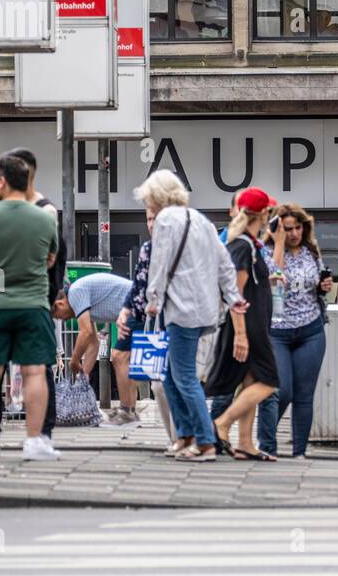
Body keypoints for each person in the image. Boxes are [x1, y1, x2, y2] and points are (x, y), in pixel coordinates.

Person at [137, 170, 244, 463]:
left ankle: (205, 441)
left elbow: (159, 263)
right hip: (206, 309)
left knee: (182, 376)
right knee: (172, 375)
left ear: (158, 196)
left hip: (181, 309)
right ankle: (184, 435)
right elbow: (224, 264)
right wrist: (234, 297)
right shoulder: (202, 221)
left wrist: (153, 298)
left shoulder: (165, 221)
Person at [0, 153, 60, 461]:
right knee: (35, 372)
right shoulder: (46, 218)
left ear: (3, 181)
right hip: (33, 303)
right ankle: (35, 441)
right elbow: (50, 258)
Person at [257, 201, 334, 457]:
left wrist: (323, 285)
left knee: (304, 393)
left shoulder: (311, 251)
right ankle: (265, 440)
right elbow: (273, 280)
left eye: (298, 227)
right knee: (282, 390)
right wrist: (278, 243)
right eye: (288, 229)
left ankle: (299, 451)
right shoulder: (266, 251)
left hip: (310, 329)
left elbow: (317, 282)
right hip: (277, 331)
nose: (294, 234)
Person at [209, 188, 280, 461]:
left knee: (251, 381)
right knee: (270, 382)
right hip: (248, 326)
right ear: (261, 214)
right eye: (267, 213)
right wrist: (240, 335)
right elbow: (234, 294)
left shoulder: (249, 244)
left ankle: (246, 443)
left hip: (254, 324)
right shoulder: (241, 246)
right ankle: (222, 423)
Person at [8, 147, 65, 444]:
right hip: (14, 299)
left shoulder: (45, 211)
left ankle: (43, 429)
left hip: (35, 299)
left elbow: (50, 257)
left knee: (38, 365)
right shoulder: (12, 208)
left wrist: (49, 296)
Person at [51, 272, 137, 426]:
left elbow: (85, 332)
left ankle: (127, 412)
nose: (62, 320)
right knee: (125, 359)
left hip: (135, 306)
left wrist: (74, 360)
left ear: (60, 304)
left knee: (118, 357)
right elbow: (93, 344)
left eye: (58, 316)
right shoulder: (81, 299)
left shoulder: (76, 293)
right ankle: (130, 412)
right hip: (133, 308)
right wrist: (83, 375)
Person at [114, 206, 157, 428]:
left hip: (162, 315)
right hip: (140, 312)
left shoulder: (174, 246)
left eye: (155, 219)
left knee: (161, 377)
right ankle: (127, 410)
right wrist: (125, 309)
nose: (151, 224)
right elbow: (138, 282)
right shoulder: (147, 248)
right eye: (148, 219)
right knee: (119, 355)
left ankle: (186, 431)